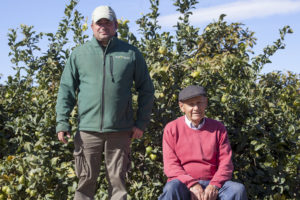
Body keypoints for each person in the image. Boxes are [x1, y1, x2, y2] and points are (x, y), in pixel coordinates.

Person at [55, 5, 154, 200]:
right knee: (85, 181)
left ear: (116, 25)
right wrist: (62, 122)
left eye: (107, 22)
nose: (103, 26)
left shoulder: (131, 53)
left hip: (120, 130)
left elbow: (147, 90)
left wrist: (141, 123)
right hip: (87, 131)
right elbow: (66, 89)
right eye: (99, 23)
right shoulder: (79, 54)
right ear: (91, 26)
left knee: (118, 181)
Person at [159, 85, 247, 200]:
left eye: (199, 103)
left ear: (206, 103)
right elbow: (171, 166)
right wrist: (192, 184)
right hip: (183, 184)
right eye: (191, 104)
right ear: (182, 107)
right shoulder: (171, 129)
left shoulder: (218, 128)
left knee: (237, 190)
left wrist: (214, 185)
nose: (196, 108)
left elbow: (226, 163)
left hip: (212, 183)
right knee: (171, 188)